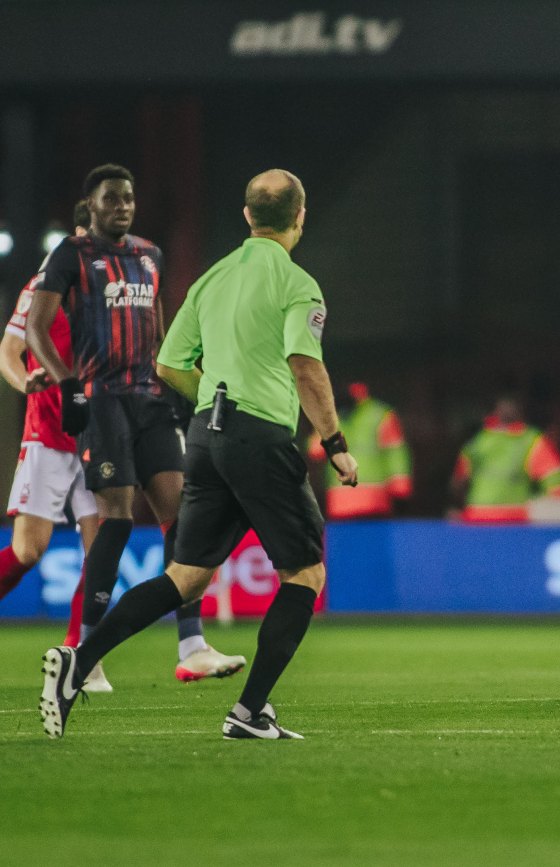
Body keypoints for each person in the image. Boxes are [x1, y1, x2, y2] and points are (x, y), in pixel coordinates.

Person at [40, 168, 359, 740]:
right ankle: (250, 712)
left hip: (208, 438)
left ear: (246, 216)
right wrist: (334, 443)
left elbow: (168, 364)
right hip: (260, 437)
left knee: (186, 576)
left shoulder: (212, 278)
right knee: (306, 573)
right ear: (301, 217)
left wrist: (213, 405)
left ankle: (80, 661)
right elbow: (305, 365)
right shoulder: (297, 283)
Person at [24, 165, 243, 682]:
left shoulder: (150, 255)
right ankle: (87, 653)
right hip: (102, 402)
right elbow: (36, 328)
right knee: (117, 521)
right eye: (112, 199)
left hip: (150, 401)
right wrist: (68, 383)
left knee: (183, 520)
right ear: (91, 205)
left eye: (128, 198)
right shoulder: (71, 256)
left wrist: (179, 383)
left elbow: (159, 327)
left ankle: (191, 645)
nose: (123, 205)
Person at [0, 202, 110, 691]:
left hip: (99, 433)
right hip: (47, 435)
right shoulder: (44, 284)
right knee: (28, 551)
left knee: (102, 547)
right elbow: (8, 352)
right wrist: (27, 384)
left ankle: (80, 658)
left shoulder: (116, 285)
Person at [450, 394, 560, 522]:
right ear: (521, 413)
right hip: (514, 517)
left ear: (495, 413)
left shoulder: (477, 441)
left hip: (477, 515)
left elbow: (457, 483)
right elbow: (558, 483)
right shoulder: (530, 440)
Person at [308, 381, 412, 519]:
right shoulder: (380, 414)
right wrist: (400, 484)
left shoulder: (334, 415)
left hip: (348, 500)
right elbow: (395, 452)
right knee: (372, 539)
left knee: (351, 539)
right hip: (369, 499)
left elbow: (315, 451)